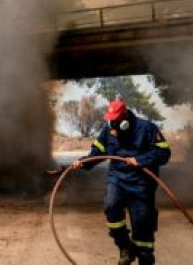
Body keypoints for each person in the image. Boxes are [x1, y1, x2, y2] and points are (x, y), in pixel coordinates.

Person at [71, 98, 171, 265]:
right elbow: (98, 152)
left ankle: (145, 257)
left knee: (143, 227)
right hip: (117, 179)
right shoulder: (108, 129)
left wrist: (140, 160)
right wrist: (83, 162)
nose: (113, 124)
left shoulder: (147, 127)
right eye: (111, 120)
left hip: (142, 184)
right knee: (111, 208)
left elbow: (164, 153)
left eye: (116, 120)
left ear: (125, 117)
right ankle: (125, 247)